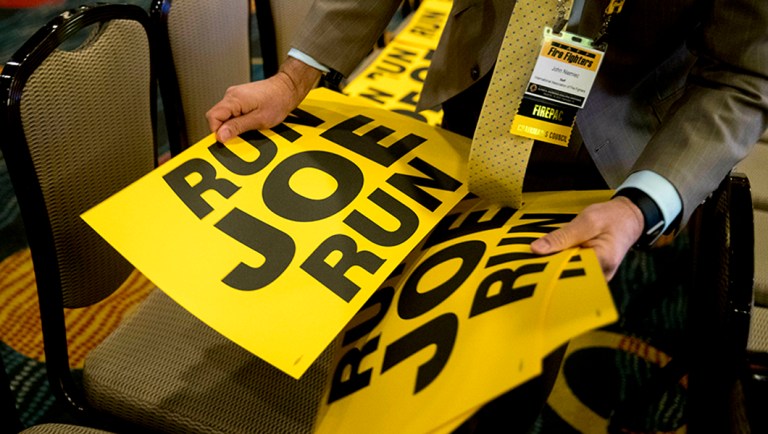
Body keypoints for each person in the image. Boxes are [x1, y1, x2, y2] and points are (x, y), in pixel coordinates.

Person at [206, 0, 768, 431]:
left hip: (612, 157)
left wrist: (640, 203)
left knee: (511, 373)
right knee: (402, 325)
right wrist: (293, 77)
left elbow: (741, 74)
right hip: (474, 90)